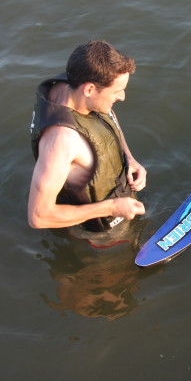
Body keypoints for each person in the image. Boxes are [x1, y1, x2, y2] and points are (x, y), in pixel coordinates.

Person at [28, 40, 146, 246]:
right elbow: (38, 216)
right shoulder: (61, 142)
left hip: (119, 199)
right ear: (89, 89)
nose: (123, 97)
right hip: (97, 232)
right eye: (117, 91)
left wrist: (129, 157)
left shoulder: (74, 87)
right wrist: (111, 208)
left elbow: (106, 113)